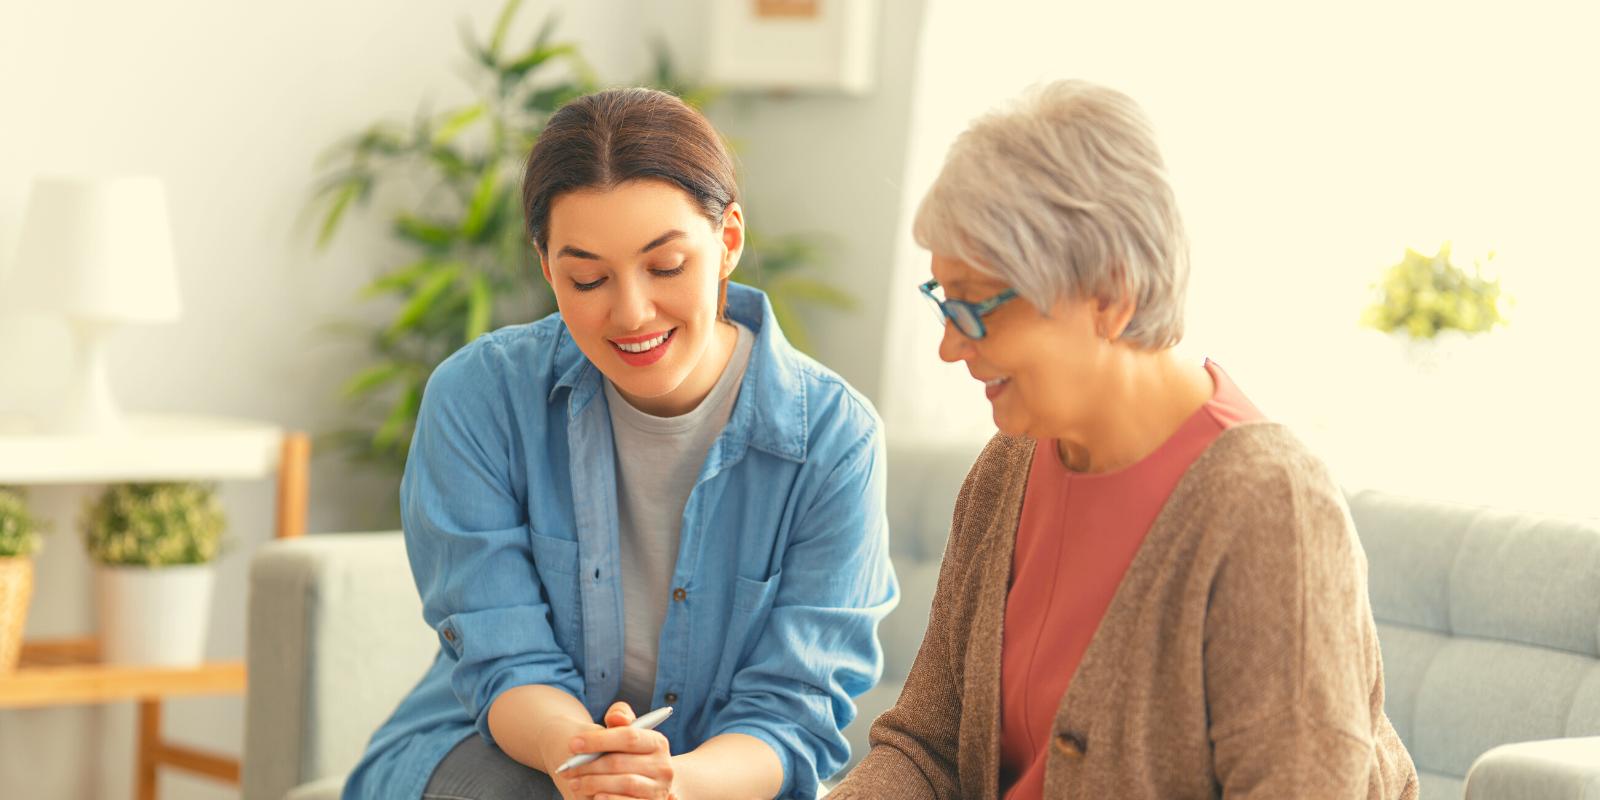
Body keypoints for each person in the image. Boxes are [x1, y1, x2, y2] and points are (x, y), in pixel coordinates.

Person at [831, 80, 1418, 799]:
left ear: (1110, 296)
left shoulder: (1271, 508)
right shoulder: (1007, 469)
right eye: (940, 302)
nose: (950, 347)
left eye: (976, 309)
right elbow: (926, 749)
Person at [344, 87, 897, 800]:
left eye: (665, 267)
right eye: (588, 278)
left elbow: (795, 713)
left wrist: (668, 784)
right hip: (500, 752)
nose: (631, 311)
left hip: (713, 778)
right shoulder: (478, 397)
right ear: (547, 267)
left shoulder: (833, 439)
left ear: (728, 240)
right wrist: (584, 760)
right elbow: (505, 658)